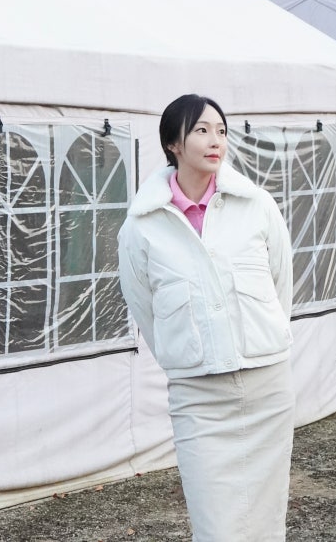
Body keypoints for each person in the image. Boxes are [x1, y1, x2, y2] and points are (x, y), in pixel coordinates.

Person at [117, 93, 295, 542]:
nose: (215, 140)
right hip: (198, 396)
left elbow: (281, 287)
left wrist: (262, 340)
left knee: (265, 522)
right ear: (173, 144)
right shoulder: (142, 225)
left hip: (267, 387)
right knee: (214, 525)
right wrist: (190, 355)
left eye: (221, 131)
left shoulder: (257, 205)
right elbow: (145, 309)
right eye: (201, 130)